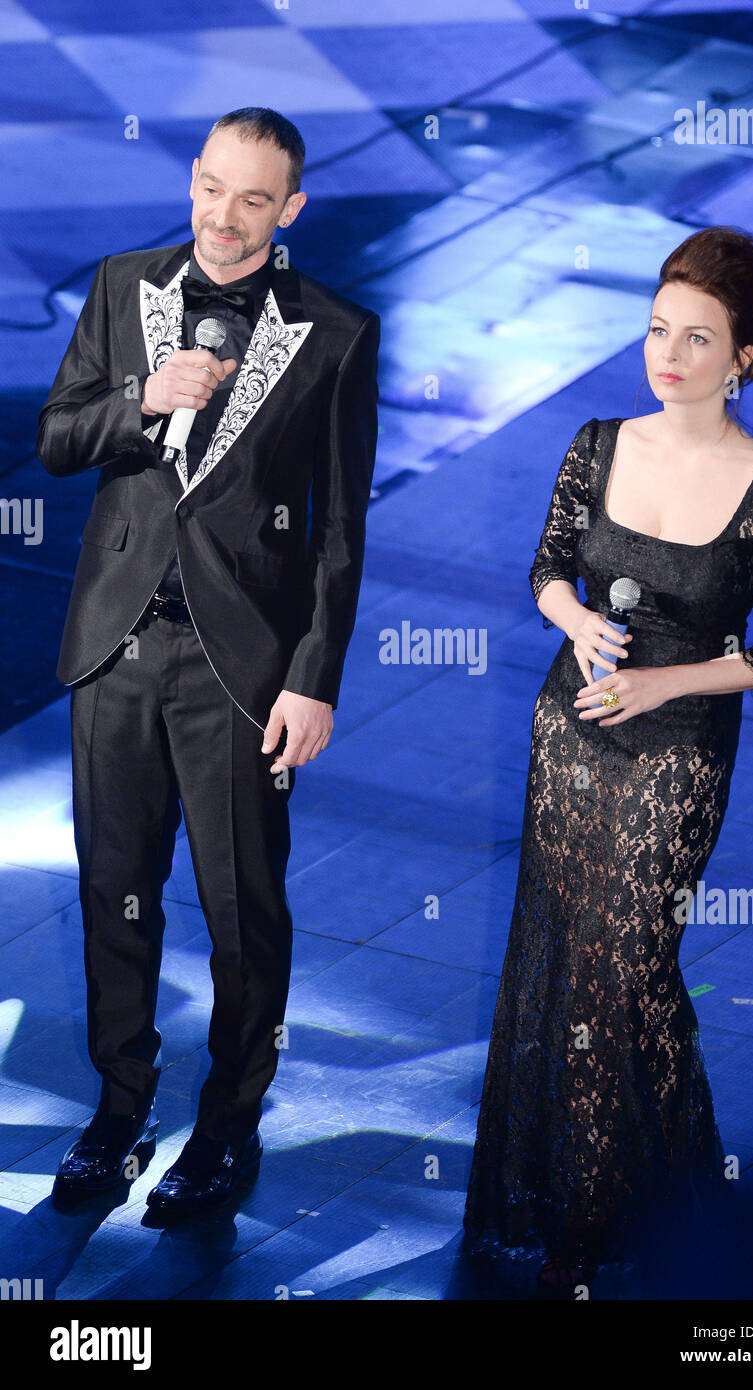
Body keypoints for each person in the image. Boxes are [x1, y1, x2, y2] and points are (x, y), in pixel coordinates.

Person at [461, 226, 753, 1291]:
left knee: (630, 970)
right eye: (658, 329)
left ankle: (640, 1210)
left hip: (678, 750)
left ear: (745, 354)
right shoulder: (596, 442)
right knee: (568, 961)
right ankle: (598, 1206)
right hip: (568, 730)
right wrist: (573, 621)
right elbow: (544, 571)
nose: (668, 355)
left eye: (697, 337)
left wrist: (671, 678)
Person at [37, 107, 380, 1218]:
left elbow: (340, 531)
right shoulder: (121, 284)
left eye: (251, 200)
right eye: (211, 188)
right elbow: (55, 437)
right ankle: (119, 1108)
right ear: (191, 178)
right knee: (114, 893)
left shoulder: (334, 333)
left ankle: (229, 1129)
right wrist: (143, 399)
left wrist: (314, 675)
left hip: (244, 668)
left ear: (290, 210)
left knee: (243, 907)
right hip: (118, 646)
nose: (223, 220)